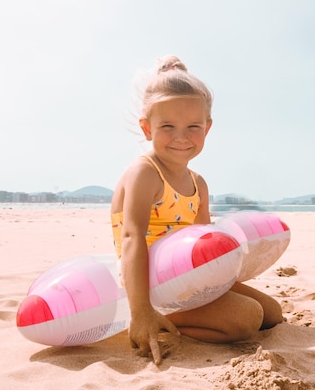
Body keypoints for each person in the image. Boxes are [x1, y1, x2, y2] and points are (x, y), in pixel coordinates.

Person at [110, 55, 283, 365]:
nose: (181, 136)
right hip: (148, 282)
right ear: (147, 128)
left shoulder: (198, 183)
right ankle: (161, 320)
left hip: (185, 278)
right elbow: (132, 238)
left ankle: (189, 313)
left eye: (193, 126)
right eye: (168, 126)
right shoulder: (145, 173)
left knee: (271, 314)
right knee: (246, 319)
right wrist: (141, 311)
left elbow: (205, 247)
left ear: (208, 127)